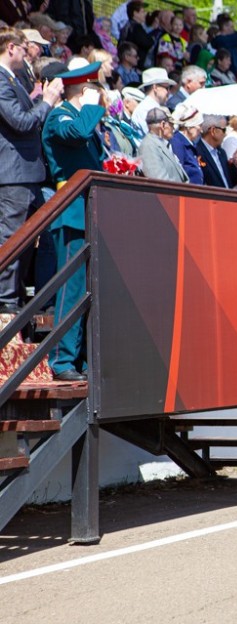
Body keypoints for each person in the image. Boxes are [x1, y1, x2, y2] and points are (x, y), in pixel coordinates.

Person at [40, 60, 104, 382]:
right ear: (85, 91)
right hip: (73, 209)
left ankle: (82, 359)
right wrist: (90, 107)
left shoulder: (78, 117)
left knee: (91, 289)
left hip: (91, 208)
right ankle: (62, 360)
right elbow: (77, 134)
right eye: (94, 92)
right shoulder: (59, 116)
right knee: (73, 287)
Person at [0, 27, 63, 314]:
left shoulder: (11, 79)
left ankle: (21, 299)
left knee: (33, 238)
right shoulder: (1, 80)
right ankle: (6, 303)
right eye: (24, 48)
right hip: (14, 174)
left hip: (28, 173)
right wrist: (47, 101)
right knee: (13, 238)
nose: (28, 54)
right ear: (11, 48)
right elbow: (21, 122)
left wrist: (41, 100)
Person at [138, 107, 188, 182]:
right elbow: (158, 181)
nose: (173, 128)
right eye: (171, 124)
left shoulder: (161, 144)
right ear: (162, 125)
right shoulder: (148, 146)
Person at [196, 114, 237, 189]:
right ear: (213, 131)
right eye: (224, 130)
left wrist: (236, 165)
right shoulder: (197, 152)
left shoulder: (221, 153)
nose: (225, 134)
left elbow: (230, 182)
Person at [131, 66, 174, 136]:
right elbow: (153, 137)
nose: (169, 92)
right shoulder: (146, 109)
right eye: (166, 88)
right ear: (155, 87)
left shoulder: (150, 107)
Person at [168, 102, 202, 184]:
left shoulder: (189, 144)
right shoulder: (177, 143)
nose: (201, 130)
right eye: (199, 125)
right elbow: (178, 172)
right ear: (189, 127)